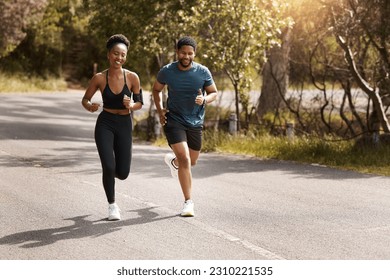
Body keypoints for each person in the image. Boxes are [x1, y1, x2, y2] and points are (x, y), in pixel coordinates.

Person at [152, 36, 218, 217]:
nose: (186, 56)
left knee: (192, 161)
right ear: (177, 52)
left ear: (194, 54)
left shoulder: (203, 72)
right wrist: (160, 110)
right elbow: (156, 89)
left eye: (190, 53)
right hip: (174, 120)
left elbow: (213, 93)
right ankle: (188, 202)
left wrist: (205, 99)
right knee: (185, 159)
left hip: (195, 122)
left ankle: (174, 163)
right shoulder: (167, 71)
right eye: (183, 52)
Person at [81, 34, 143, 221]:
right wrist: (90, 106)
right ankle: (112, 205)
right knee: (108, 166)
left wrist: (131, 106)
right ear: (109, 55)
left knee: (122, 173)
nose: (119, 58)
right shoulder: (99, 78)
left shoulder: (132, 77)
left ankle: (111, 173)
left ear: (126, 57)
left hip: (124, 123)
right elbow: (85, 99)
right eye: (116, 54)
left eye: (123, 55)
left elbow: (140, 102)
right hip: (105, 123)